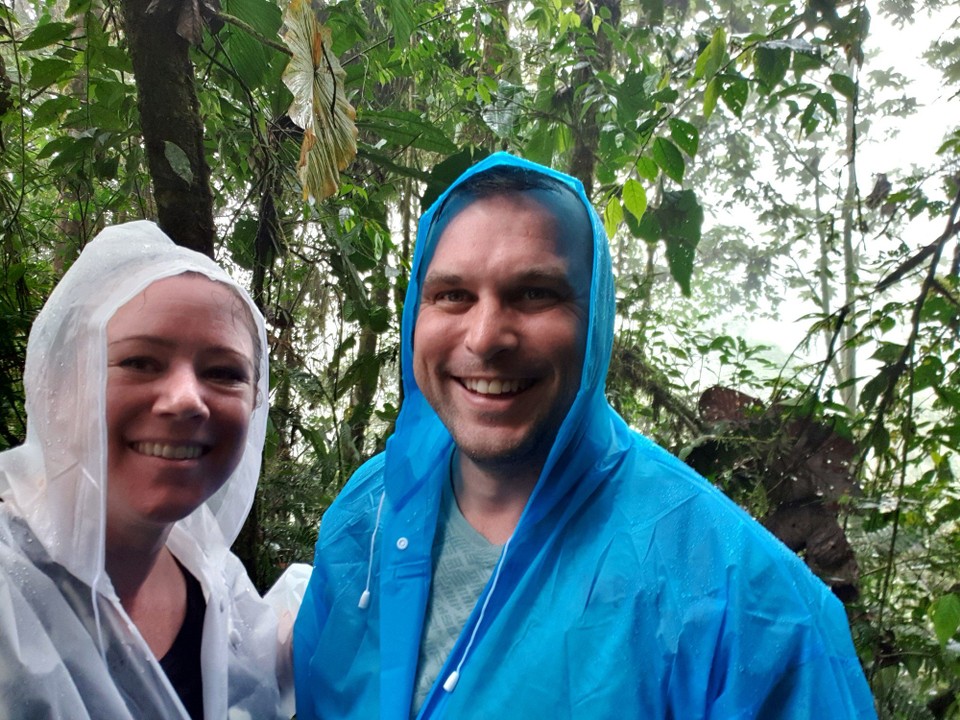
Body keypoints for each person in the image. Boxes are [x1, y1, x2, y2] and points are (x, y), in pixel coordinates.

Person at [293, 153, 878, 718]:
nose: (485, 337)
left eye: (535, 294)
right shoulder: (366, 516)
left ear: (595, 317)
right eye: (453, 295)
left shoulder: (746, 601)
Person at [0, 221, 302, 719]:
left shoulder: (211, 579)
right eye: (140, 361)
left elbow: (258, 669)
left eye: (224, 373)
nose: (186, 400)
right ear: (64, 384)